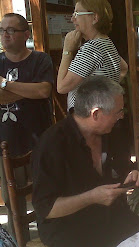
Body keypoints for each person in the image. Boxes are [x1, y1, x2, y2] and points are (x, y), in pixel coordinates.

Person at [32, 76, 139, 247]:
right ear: (96, 113)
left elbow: (123, 165)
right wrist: (91, 198)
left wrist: (132, 173)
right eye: (118, 112)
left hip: (112, 217)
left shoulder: (111, 131)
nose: (121, 116)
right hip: (70, 228)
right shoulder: (52, 144)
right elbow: (46, 208)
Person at [0, 12, 54, 237]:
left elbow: (43, 90)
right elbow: (33, 91)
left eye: (11, 30)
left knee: (46, 199)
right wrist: (26, 91)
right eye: (2, 30)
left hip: (39, 143)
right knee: (14, 210)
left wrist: (5, 84)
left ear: (26, 34)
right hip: (5, 145)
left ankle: (49, 240)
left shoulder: (40, 60)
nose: (5, 35)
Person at [57, 0, 128, 112]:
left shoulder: (91, 48)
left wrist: (67, 50)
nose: (72, 19)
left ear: (95, 18)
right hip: (102, 112)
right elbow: (124, 68)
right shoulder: (106, 42)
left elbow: (62, 87)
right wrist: (106, 90)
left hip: (87, 116)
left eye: (77, 14)